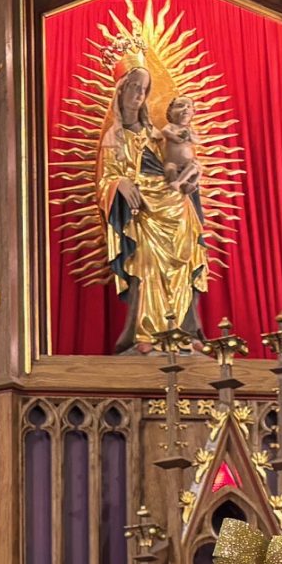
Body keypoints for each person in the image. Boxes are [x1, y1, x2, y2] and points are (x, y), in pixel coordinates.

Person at [96, 62, 211, 351]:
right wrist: (119, 183)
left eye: (144, 89)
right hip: (144, 214)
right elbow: (104, 180)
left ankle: (183, 331)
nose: (138, 94)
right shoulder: (113, 138)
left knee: (185, 259)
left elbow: (175, 162)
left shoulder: (154, 134)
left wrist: (191, 175)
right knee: (146, 263)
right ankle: (146, 332)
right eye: (133, 87)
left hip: (173, 205)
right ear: (120, 91)